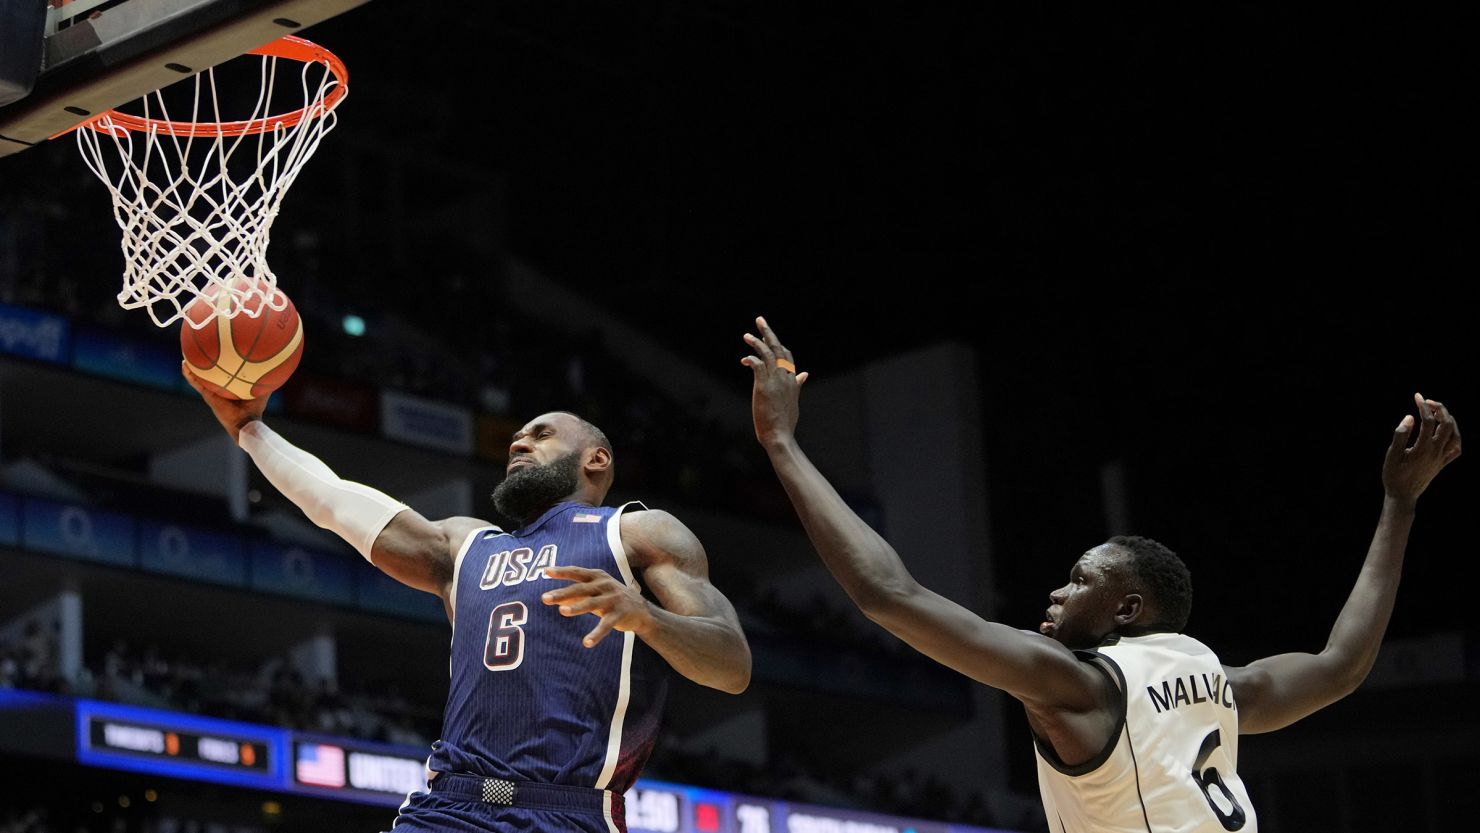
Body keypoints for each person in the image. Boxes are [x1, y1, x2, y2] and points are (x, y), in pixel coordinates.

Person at [739, 317, 1460, 832]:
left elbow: (888, 594)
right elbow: (1341, 665)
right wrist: (1400, 504)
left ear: (1129, 606)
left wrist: (782, 445)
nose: (1057, 591)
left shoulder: (1080, 683)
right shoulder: (1219, 686)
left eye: (1081, 579)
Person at [183, 365, 751, 833]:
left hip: (568, 813)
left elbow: (732, 666)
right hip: (449, 809)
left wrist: (646, 618)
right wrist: (250, 431)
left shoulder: (638, 534)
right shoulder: (464, 545)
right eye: (516, 439)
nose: (519, 442)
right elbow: (337, 502)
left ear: (596, 459)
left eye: (541, 433)